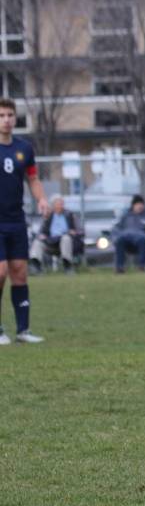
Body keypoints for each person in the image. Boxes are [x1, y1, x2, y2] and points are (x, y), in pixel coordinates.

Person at [0, 98, 47, 344]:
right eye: (1, 116)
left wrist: (41, 199)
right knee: (0, 272)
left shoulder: (24, 149)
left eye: (9, 115)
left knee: (19, 272)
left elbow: (33, 179)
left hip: (16, 220)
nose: (6, 120)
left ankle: (23, 331)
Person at [29, 195, 81, 274]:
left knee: (66, 238)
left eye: (61, 203)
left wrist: (74, 232)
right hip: (51, 242)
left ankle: (67, 266)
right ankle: (35, 266)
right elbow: (42, 231)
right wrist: (41, 235)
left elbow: (79, 229)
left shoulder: (70, 215)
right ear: (53, 205)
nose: (61, 205)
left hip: (65, 242)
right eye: (58, 204)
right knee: (37, 242)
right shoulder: (48, 216)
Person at [112, 195, 145, 273]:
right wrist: (115, 237)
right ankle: (119, 267)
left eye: (141, 204)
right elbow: (117, 228)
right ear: (133, 205)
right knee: (120, 240)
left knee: (143, 239)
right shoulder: (126, 216)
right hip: (127, 239)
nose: (139, 206)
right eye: (137, 204)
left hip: (143, 239)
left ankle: (141, 267)